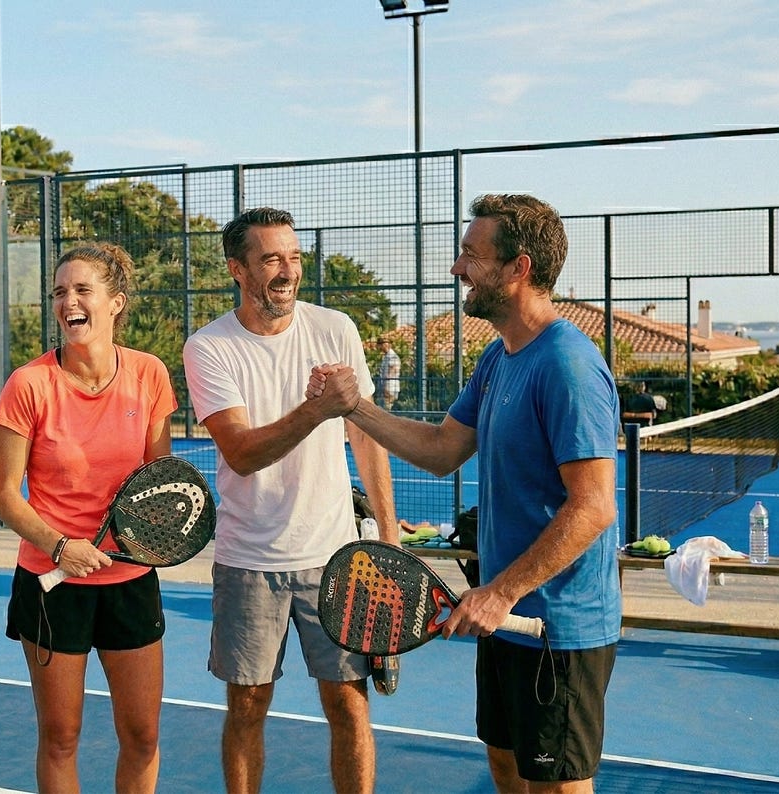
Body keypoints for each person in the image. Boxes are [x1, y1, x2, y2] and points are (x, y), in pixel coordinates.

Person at [312, 194, 620, 793]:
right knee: (504, 763)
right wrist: (353, 408)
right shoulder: (499, 358)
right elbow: (441, 449)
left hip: (558, 626)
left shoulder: (567, 367)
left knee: (555, 785)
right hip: (503, 617)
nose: (457, 268)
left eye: (470, 255)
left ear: (517, 269)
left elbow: (594, 505)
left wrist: (501, 593)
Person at [182, 207, 397, 794]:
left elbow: (367, 436)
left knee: (349, 706)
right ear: (238, 269)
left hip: (336, 558)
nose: (287, 271)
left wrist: (389, 537)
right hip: (249, 560)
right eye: (271, 259)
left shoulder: (336, 329)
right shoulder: (208, 348)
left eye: (295, 257)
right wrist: (318, 407)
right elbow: (243, 452)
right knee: (248, 706)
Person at [0, 242, 177, 794]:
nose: (67, 301)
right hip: (53, 584)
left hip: (131, 580)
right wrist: (60, 546)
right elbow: (5, 495)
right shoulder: (29, 385)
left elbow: (158, 484)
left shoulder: (149, 375)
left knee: (142, 735)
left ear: (115, 303)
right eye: (59, 292)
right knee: (61, 736)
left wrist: (156, 535)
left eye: (81, 290)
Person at [374, 338, 401, 409]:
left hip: (390, 388)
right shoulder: (386, 357)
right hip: (386, 388)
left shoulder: (393, 357)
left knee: (386, 409)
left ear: (385, 345)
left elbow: (392, 372)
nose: (379, 347)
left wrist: (385, 386)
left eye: (380, 345)